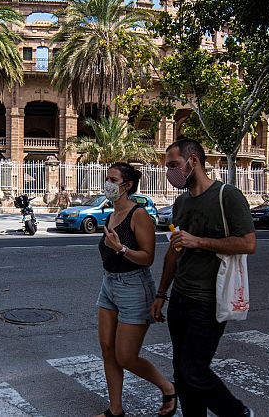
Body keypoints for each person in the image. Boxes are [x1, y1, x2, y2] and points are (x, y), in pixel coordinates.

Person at [151, 139, 256, 417]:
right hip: (181, 300)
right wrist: (161, 294)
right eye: (167, 167)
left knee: (194, 371)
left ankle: (237, 413)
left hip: (209, 301)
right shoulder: (181, 202)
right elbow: (174, 252)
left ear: (193, 160)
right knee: (182, 373)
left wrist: (198, 241)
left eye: (174, 165)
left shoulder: (227, 196)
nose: (170, 172)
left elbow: (247, 244)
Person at [96, 162, 177, 417]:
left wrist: (120, 248)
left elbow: (148, 257)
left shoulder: (139, 215)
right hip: (109, 284)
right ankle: (115, 410)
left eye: (112, 179)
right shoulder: (110, 213)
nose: (107, 184)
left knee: (126, 357)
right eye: (106, 178)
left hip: (134, 286)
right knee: (107, 349)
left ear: (127, 185)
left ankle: (168, 388)